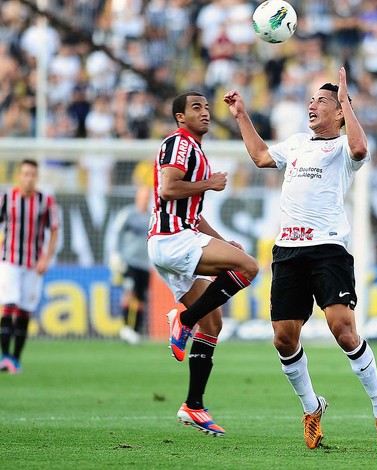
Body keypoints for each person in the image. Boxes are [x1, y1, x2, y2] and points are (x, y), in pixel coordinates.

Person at [224, 67, 377, 452]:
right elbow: (259, 157)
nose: (312, 105)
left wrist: (348, 101)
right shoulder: (297, 143)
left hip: (328, 248)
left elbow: (360, 149)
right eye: (311, 100)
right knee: (284, 339)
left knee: (344, 330)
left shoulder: (344, 148)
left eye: (321, 100)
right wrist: (241, 115)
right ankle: (311, 407)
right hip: (287, 250)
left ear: (339, 111)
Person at [147, 91, 259, 435]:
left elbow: (193, 215)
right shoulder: (179, 144)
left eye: (207, 107)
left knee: (212, 325)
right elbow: (167, 189)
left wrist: (223, 242)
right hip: (173, 239)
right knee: (249, 267)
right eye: (196, 107)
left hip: (175, 241)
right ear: (180, 116)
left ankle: (193, 406)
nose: (205, 112)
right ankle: (184, 320)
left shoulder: (196, 150)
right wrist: (209, 183)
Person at [0, 159, 60, 374]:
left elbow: (54, 229)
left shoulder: (45, 201)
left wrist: (46, 258)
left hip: (34, 263)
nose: (29, 178)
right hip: (9, 261)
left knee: (25, 311)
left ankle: (15, 359)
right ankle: (4, 357)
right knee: (9, 305)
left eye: (32, 174)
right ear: (19, 176)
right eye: (25, 174)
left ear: (37, 177)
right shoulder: (7, 198)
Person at [109, 185, 152, 345]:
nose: (145, 199)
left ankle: (136, 330)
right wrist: (115, 254)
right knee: (129, 292)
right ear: (137, 197)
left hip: (144, 264)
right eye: (142, 196)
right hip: (129, 261)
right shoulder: (128, 214)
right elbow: (115, 233)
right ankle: (126, 327)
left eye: (147, 196)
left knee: (141, 297)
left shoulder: (151, 217)